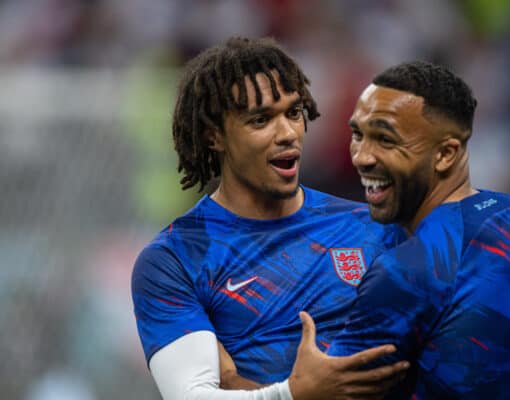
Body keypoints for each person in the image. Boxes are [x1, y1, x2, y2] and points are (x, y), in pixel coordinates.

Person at [131, 36, 409, 400]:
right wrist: (296, 393)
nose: (288, 133)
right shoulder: (176, 259)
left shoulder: (373, 229)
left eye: (293, 113)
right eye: (260, 119)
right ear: (215, 136)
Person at [316, 61, 510, 399]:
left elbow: (321, 390)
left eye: (386, 139)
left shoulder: (407, 272)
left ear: (445, 154)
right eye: (359, 135)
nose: (362, 157)